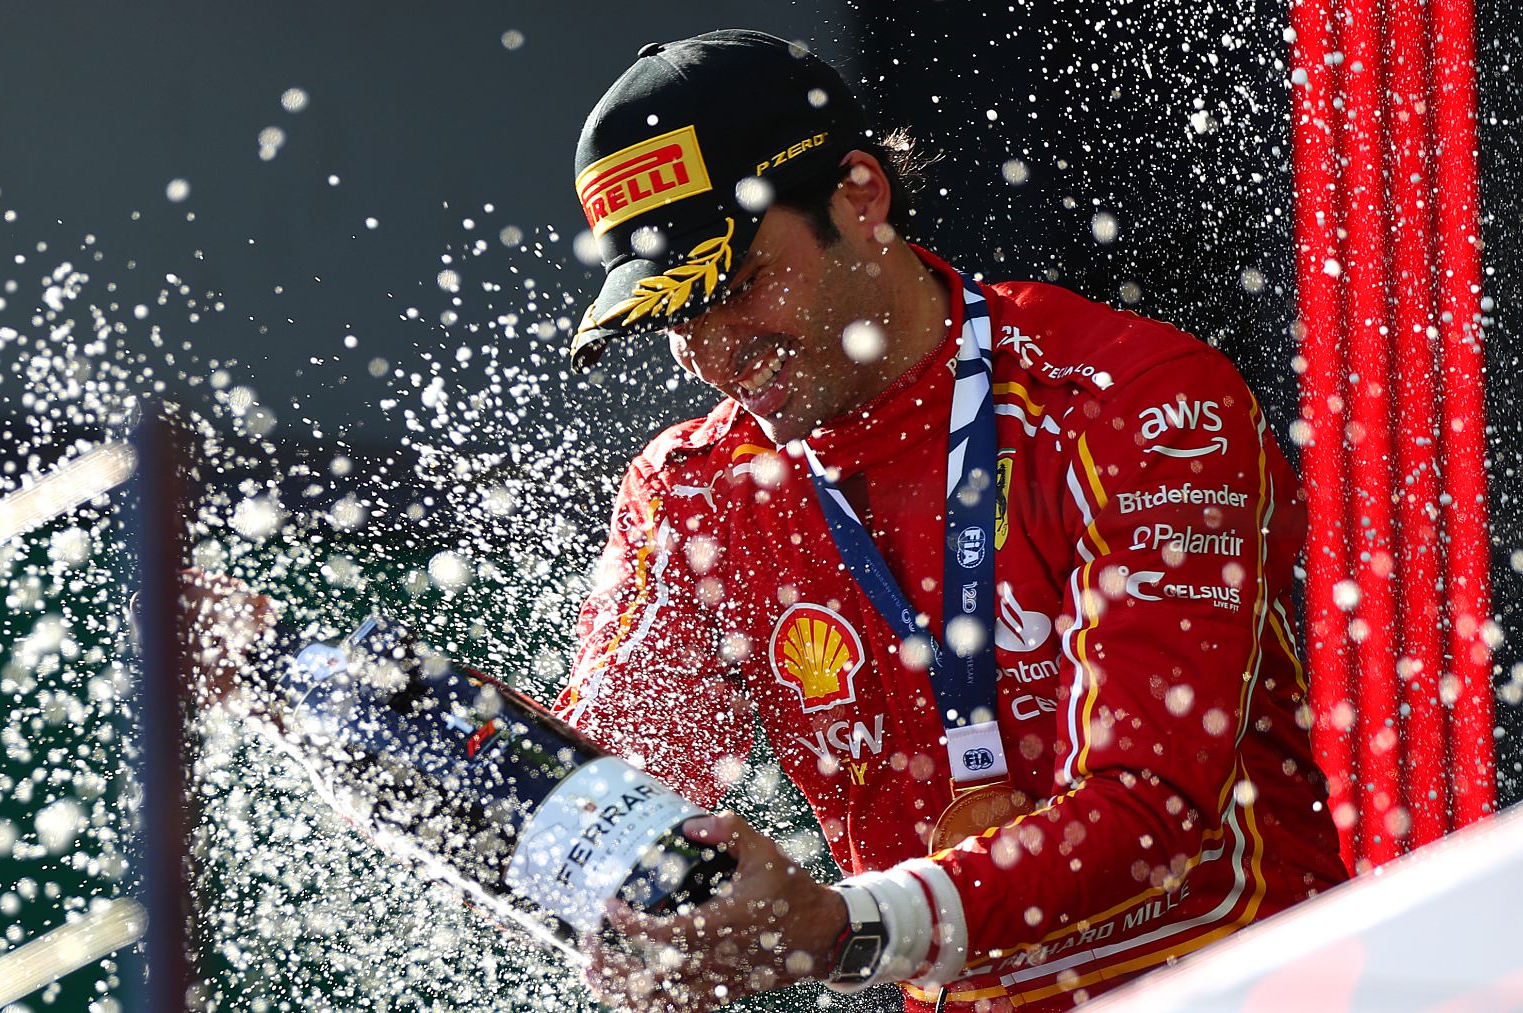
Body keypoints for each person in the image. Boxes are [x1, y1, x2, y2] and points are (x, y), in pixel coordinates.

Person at [553, 29, 1347, 1012]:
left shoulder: (1134, 402)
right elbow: (611, 795)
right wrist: (541, 823)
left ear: (860, 193)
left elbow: (1150, 813)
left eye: (740, 285)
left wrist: (836, 927)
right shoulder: (694, 494)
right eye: (673, 316)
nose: (714, 354)